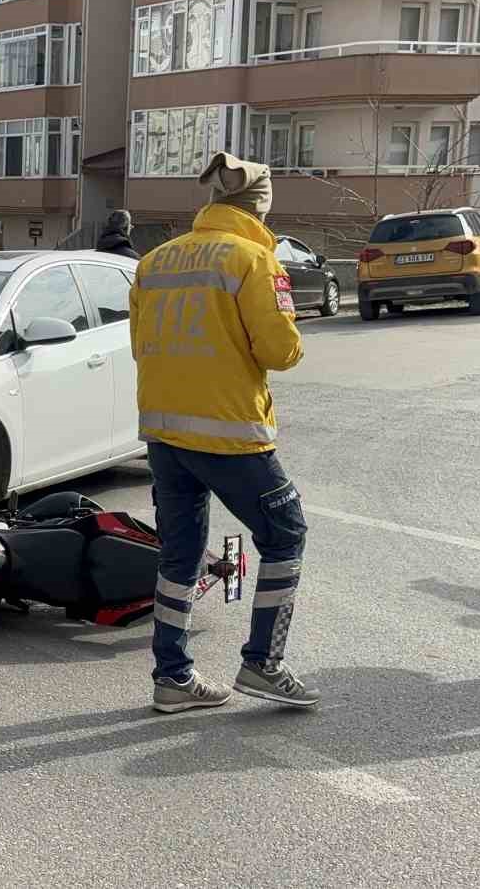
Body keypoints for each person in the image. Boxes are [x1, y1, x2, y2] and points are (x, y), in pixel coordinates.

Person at [130, 151, 317, 714]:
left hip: (164, 432)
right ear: (259, 207)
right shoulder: (254, 260)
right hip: (230, 433)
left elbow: (140, 344)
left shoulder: (154, 262)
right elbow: (281, 352)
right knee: (286, 533)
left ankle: (173, 677)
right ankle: (262, 662)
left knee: (180, 555)